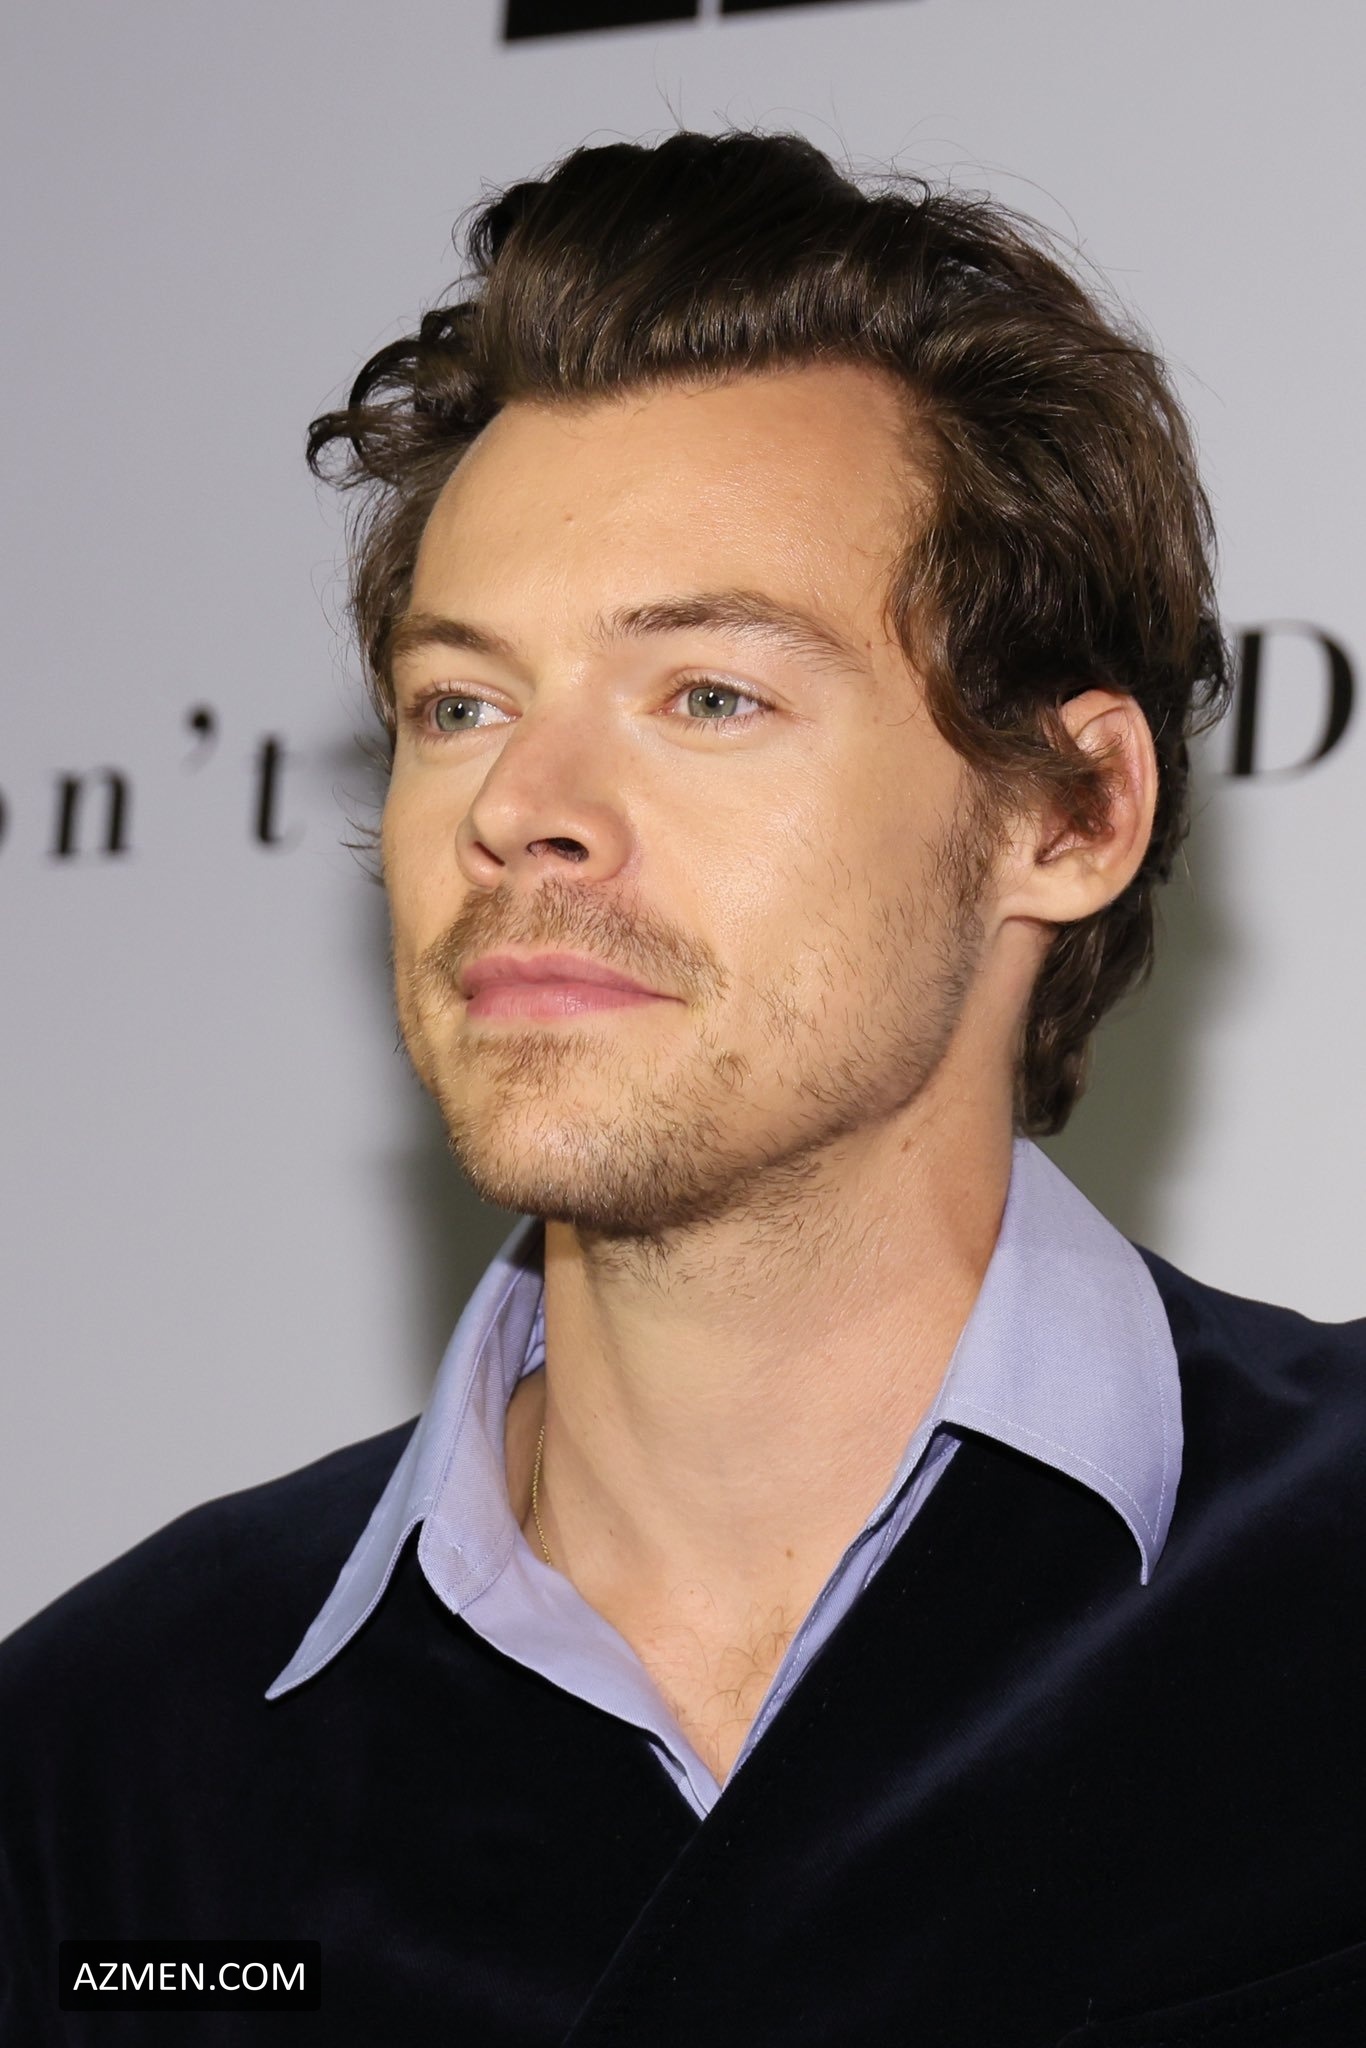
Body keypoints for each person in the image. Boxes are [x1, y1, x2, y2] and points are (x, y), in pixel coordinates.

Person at [2, 129, 1363, 2048]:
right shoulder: (109, 1767)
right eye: (459, 705)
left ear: (1069, 812)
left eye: (707, 695)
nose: (519, 809)